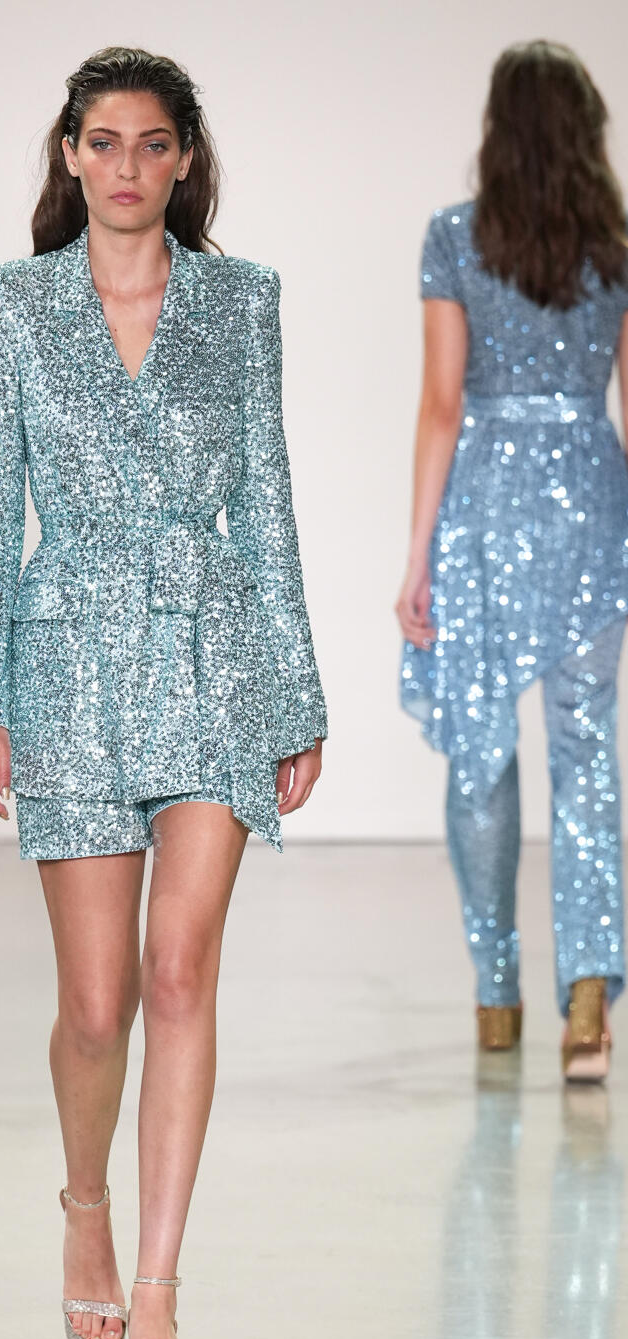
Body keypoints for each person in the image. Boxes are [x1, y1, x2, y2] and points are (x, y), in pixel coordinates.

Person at [0, 46, 327, 1339]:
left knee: (180, 973)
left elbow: (268, 501)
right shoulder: (13, 306)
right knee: (98, 1004)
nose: (125, 166)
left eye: (151, 143)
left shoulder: (242, 301)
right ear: (70, 154)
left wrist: (297, 692)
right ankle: (85, 1204)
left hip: (211, 653)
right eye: (102, 142)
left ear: (183, 158)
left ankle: (160, 1297)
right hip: (64, 667)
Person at [397, 40, 628, 1082]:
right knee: (586, 749)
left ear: (497, 130)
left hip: (484, 510)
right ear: (585, 134)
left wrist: (416, 555)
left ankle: (497, 996)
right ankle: (588, 1003)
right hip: (590, 503)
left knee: (480, 751)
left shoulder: (455, 238)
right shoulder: (613, 251)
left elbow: (442, 404)